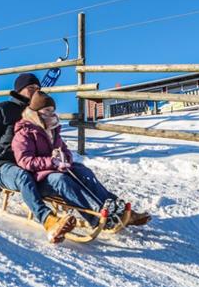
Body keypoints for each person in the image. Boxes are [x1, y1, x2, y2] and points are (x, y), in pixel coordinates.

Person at [13, 91, 150, 237]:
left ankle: (120, 211)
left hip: (57, 169)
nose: (51, 114)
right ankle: (97, 217)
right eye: (47, 110)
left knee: (84, 172)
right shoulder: (24, 132)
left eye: (53, 110)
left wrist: (64, 159)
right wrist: (52, 161)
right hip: (40, 179)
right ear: (36, 112)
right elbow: (24, 161)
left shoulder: (52, 130)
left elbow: (65, 150)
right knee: (62, 180)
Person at [0, 73, 74, 243]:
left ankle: (98, 212)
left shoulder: (39, 113)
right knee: (22, 176)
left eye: (38, 89)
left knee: (70, 173)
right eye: (31, 89)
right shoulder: (2, 110)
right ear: (19, 90)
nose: (35, 92)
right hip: (4, 164)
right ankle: (48, 220)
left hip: (32, 163)